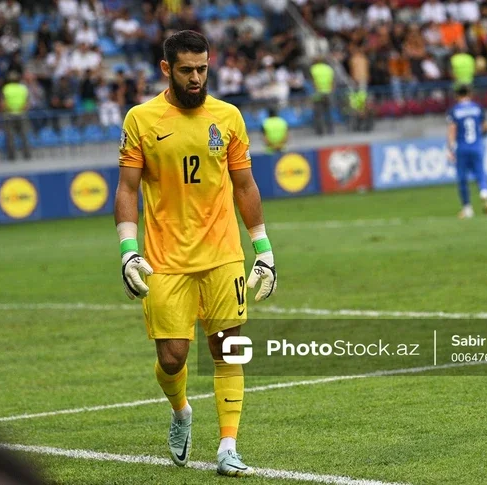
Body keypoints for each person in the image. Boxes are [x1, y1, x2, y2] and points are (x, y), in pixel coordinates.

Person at [114, 30, 276, 477]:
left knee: (228, 349)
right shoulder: (141, 120)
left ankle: (228, 446)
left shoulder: (228, 117)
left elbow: (244, 185)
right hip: (165, 258)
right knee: (172, 357)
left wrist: (263, 248)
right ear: (167, 68)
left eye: (203, 69)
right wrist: (129, 251)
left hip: (223, 252)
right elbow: (127, 188)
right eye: (186, 70)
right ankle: (182, 411)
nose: (196, 78)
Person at [446, 84, 487, 219]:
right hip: (476, 146)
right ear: (469, 94)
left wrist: (450, 148)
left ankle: (467, 208)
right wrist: (480, 134)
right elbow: (486, 127)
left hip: (462, 148)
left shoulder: (454, 110)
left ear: (457, 95)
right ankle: (484, 192)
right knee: (480, 172)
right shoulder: (477, 108)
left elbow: (452, 129)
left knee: (462, 178)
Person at [0, 70, 32, 160]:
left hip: (9, 114)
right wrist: (21, 109)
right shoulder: (23, 88)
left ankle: (12, 157)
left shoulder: (6, 88)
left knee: (10, 137)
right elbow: (27, 103)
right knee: (24, 135)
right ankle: (27, 155)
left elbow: (2, 104)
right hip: (21, 114)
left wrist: (8, 109)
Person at [309, 55, 334, 135]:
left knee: (318, 113)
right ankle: (330, 130)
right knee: (328, 112)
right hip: (328, 92)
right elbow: (332, 81)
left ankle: (320, 132)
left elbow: (312, 81)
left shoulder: (313, 69)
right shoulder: (329, 68)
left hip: (318, 92)